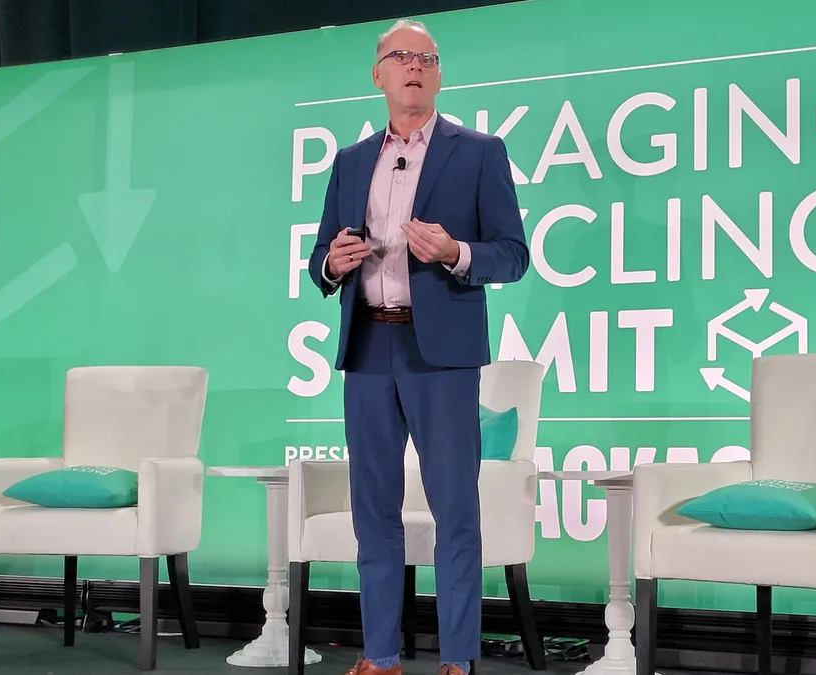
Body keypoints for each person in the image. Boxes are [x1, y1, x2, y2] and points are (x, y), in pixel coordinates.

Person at [304, 18, 530, 675]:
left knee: (455, 509)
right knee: (373, 511)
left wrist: (457, 251)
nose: (415, 66)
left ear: (438, 75)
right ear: (377, 73)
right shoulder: (350, 163)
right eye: (401, 56)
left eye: (427, 58)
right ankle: (379, 654)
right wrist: (332, 264)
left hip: (443, 355)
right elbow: (319, 254)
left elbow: (513, 254)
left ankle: (457, 657)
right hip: (369, 347)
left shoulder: (479, 151)